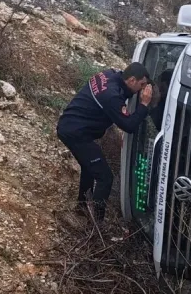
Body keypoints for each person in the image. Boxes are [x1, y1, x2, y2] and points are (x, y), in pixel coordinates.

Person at [57, 63, 155, 221]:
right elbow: (129, 125)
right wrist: (144, 104)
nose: (142, 89)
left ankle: (82, 208)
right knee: (105, 177)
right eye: (141, 85)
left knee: (89, 167)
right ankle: (96, 224)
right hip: (76, 133)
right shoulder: (112, 96)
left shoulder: (111, 75)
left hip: (72, 125)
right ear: (131, 80)